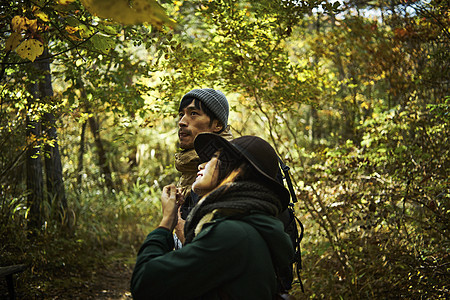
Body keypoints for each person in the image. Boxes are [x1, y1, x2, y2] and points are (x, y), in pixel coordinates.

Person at [130, 133, 294, 299]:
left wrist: (166, 223)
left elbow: (145, 284)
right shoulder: (248, 228)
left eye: (213, 158)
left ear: (235, 171)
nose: (201, 166)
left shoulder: (232, 234)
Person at [174, 88, 233, 245]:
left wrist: (179, 230)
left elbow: (219, 252)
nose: (181, 122)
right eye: (181, 114)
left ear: (217, 124)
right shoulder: (191, 168)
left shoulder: (226, 168)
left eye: (193, 113)